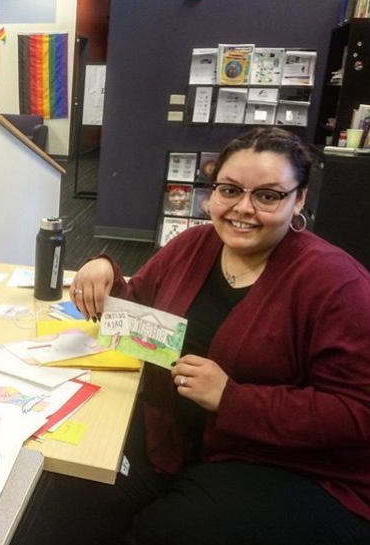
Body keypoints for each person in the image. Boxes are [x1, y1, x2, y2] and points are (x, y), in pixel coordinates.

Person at [70, 127, 370, 545]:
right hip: (175, 437)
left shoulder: (338, 285)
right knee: (74, 496)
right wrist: (105, 278)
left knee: (158, 533)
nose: (242, 209)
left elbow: (356, 413)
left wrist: (232, 399)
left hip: (288, 466)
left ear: (299, 199)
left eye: (268, 196)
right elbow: (139, 312)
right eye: (230, 190)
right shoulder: (194, 244)